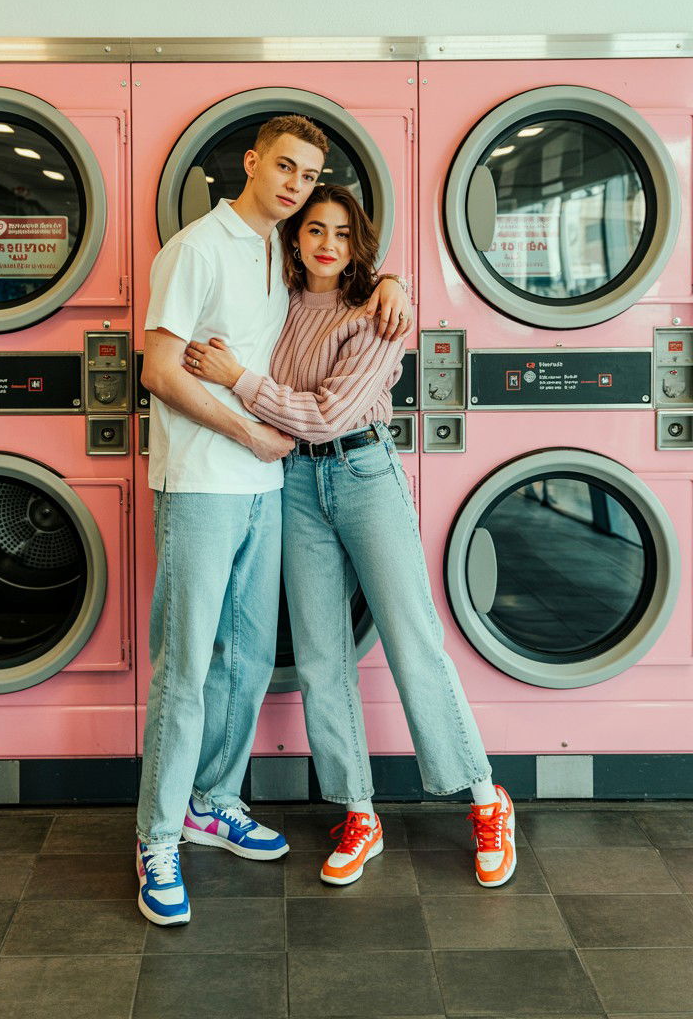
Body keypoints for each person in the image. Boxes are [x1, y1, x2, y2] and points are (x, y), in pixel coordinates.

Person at [184, 183, 516, 890]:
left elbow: (328, 413)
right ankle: (357, 810)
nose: (327, 243)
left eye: (341, 232)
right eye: (314, 231)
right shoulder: (275, 303)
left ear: (359, 244)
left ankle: (485, 798)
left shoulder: (378, 311)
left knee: (410, 637)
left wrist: (239, 379)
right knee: (320, 655)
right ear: (295, 240)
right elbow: (281, 395)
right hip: (296, 486)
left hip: (364, 472)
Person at [136, 116, 411, 926]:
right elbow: (157, 368)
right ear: (251, 164)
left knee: (249, 658)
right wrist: (250, 433)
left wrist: (392, 282)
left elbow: (342, 278)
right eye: (284, 168)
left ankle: (211, 801)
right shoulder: (196, 248)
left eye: (307, 174)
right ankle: (157, 842)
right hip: (202, 483)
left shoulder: (276, 250)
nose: (294, 185)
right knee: (185, 669)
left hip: (264, 487)